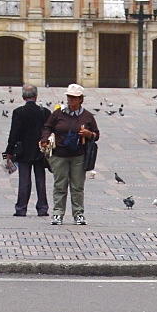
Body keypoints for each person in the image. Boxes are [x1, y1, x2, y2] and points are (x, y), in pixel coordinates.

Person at [40, 84, 99, 227]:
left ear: (80, 99)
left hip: (78, 155)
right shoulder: (59, 114)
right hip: (60, 154)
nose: (70, 100)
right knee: (60, 185)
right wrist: (44, 139)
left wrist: (89, 134)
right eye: (69, 97)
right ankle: (58, 214)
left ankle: (78, 214)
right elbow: (47, 127)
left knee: (77, 186)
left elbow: (96, 135)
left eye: (73, 97)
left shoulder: (87, 116)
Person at [5, 84, 51, 218]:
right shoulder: (44, 112)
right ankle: (42, 208)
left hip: (23, 151)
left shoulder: (19, 112)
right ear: (36, 96)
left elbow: (14, 133)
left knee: (24, 180)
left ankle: (21, 208)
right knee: (40, 180)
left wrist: (9, 150)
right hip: (40, 150)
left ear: (23, 96)